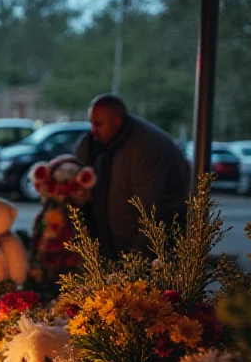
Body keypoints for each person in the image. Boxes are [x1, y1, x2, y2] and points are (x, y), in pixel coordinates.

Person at [75, 94, 190, 260]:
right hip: (110, 247)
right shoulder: (94, 144)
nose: (93, 130)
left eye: (98, 124)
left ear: (117, 121)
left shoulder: (146, 148)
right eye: (91, 123)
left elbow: (152, 209)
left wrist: (138, 259)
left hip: (143, 251)